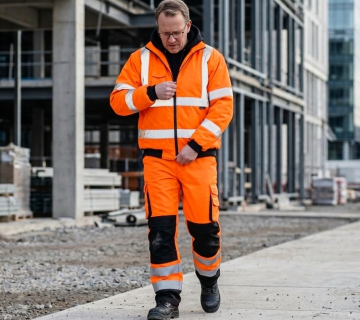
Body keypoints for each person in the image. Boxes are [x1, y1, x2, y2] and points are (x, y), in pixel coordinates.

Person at [110, 1, 233, 319]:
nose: (172, 39)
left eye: (177, 33)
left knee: (205, 231)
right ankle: (167, 299)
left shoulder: (210, 59)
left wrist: (195, 144)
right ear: (158, 28)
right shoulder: (140, 59)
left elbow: (223, 108)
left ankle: (209, 281)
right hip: (157, 162)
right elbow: (118, 103)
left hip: (198, 159)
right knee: (161, 232)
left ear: (188, 26)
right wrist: (150, 92)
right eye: (165, 33)